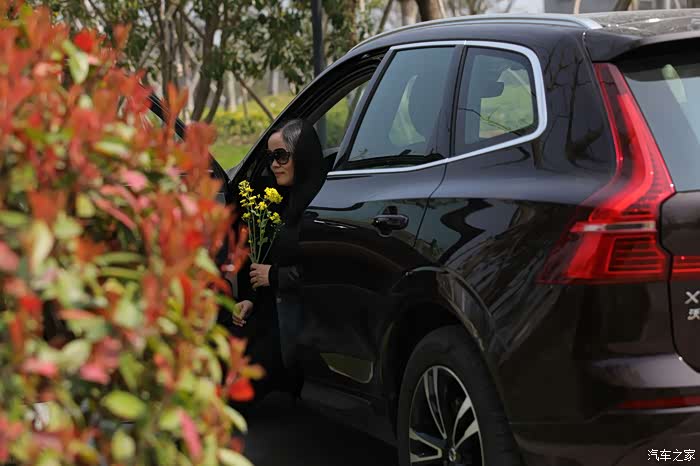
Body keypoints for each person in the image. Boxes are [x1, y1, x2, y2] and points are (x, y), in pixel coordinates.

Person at [229, 118, 327, 403]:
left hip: (299, 324)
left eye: (281, 155)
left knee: (235, 389)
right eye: (270, 157)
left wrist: (273, 276)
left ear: (302, 155)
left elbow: (320, 273)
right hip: (273, 313)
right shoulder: (285, 202)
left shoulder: (319, 207)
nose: (274, 165)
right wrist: (251, 299)